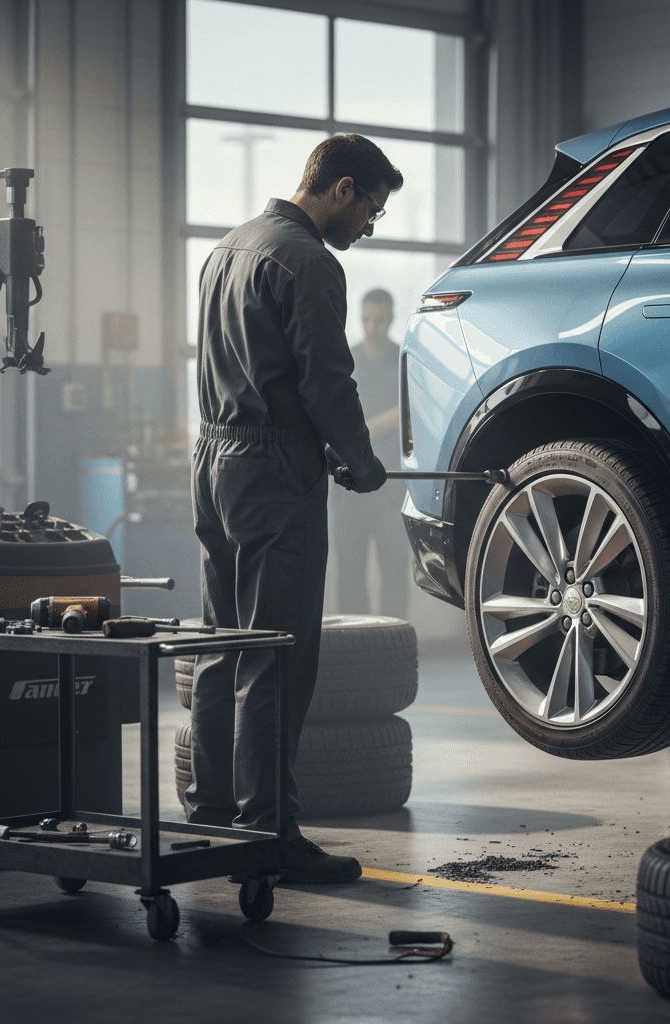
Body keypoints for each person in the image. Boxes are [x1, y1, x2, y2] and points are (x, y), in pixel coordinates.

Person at [187, 134, 403, 883]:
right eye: (371, 208)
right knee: (276, 655)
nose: (370, 225)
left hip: (214, 459)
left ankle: (211, 817)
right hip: (274, 466)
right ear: (341, 189)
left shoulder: (227, 247)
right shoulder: (310, 261)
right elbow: (325, 381)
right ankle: (269, 834)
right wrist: (363, 461)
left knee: (221, 644)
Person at [331, 289, 408, 619]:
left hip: (392, 482)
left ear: (391, 319)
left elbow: (412, 408)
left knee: (394, 568)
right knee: (349, 569)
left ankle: (391, 640)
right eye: (366, 320)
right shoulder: (345, 360)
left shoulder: (403, 359)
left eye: (379, 320)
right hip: (348, 485)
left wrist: (366, 429)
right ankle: (354, 642)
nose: (372, 326)